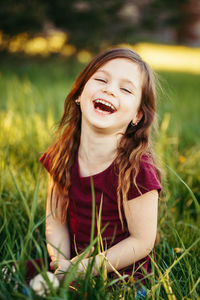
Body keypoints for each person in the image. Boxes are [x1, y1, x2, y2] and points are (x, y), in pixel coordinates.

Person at [39, 48, 162, 292]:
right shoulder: (63, 153)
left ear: (137, 115)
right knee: (15, 272)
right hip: (71, 260)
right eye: (101, 79)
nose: (109, 89)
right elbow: (55, 220)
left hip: (121, 271)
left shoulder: (136, 169)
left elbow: (142, 242)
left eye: (126, 89)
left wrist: (79, 270)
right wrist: (60, 262)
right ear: (79, 93)